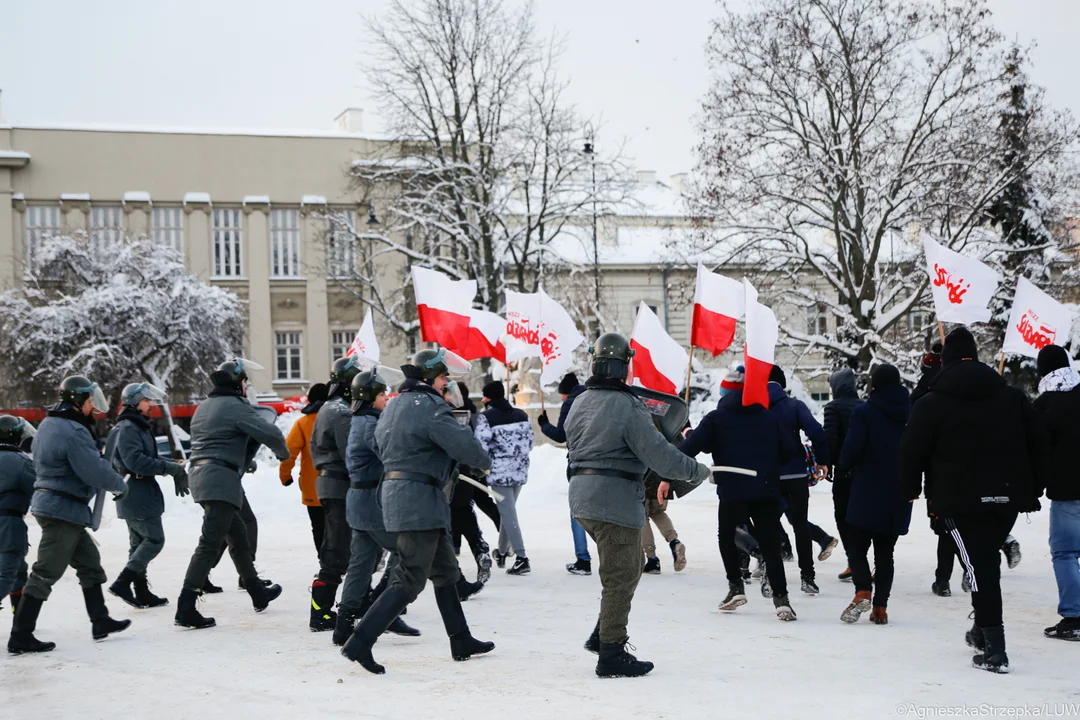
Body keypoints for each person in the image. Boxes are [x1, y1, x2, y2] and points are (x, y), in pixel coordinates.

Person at [565, 333, 711, 678]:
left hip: (582, 499)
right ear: (624, 367)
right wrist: (697, 471)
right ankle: (611, 653)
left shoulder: (581, 401)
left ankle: (603, 635)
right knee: (620, 576)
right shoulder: (629, 407)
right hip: (613, 500)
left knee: (626, 567)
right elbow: (661, 457)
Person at [342, 348, 494, 675]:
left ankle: (461, 639)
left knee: (446, 573)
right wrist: (482, 462)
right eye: (443, 378)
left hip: (404, 496)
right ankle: (360, 641)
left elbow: (387, 446)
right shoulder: (430, 407)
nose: (446, 384)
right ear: (429, 379)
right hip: (419, 500)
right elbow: (463, 444)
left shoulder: (394, 406)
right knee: (409, 579)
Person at [900, 327, 1044, 673]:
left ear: (945, 361)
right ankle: (982, 631)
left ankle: (996, 649)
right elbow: (1038, 442)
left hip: (957, 499)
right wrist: (1033, 486)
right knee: (984, 561)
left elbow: (910, 451)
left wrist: (909, 489)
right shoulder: (1013, 397)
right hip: (1008, 497)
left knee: (980, 569)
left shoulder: (932, 402)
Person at [8, 377, 131, 654]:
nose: (92, 407)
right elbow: (93, 470)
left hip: (61, 508)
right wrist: (120, 485)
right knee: (45, 572)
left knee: (89, 563)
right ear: (78, 402)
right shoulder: (74, 430)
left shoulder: (48, 425)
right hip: (61, 509)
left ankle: (100, 620)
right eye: (89, 402)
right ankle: (21, 635)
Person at [174, 359, 290, 630]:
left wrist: (241, 459)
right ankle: (186, 606)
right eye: (245, 382)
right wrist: (284, 455)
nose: (246, 386)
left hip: (204, 477)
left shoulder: (204, 407)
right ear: (238, 383)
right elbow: (269, 432)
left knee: (238, 537)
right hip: (221, 481)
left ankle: (258, 593)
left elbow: (220, 441)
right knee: (209, 544)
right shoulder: (235, 406)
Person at [681, 377, 801, 621]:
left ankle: (736, 587)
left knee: (726, 535)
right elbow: (790, 451)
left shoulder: (717, 418)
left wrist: (685, 437)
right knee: (770, 543)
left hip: (732, 490)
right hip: (765, 488)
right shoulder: (768, 417)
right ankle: (782, 600)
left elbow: (692, 448)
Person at [334, 367, 419, 646]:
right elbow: (388, 451)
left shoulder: (361, 419)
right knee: (404, 550)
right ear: (370, 398)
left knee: (360, 563)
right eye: (382, 393)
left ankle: (343, 623)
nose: (387, 397)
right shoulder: (370, 424)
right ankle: (386, 607)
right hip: (371, 502)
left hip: (360, 501)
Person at [104, 382, 189, 609]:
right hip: (137, 492)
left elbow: (142, 458)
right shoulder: (129, 427)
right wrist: (169, 468)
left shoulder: (135, 425)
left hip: (137, 492)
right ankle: (123, 583)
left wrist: (173, 465)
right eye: (146, 400)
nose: (150, 404)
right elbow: (135, 462)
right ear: (134, 402)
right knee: (154, 540)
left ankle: (141, 592)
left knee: (138, 543)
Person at [838, 365, 911, 625]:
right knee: (885, 551)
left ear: (874, 385)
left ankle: (862, 590)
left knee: (856, 545)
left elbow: (851, 449)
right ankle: (880, 608)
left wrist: (844, 466)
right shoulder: (911, 412)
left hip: (867, 487)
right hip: (899, 491)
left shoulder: (864, 413)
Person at [767, 366, 837, 595]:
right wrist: (822, 461)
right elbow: (816, 432)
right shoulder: (794, 406)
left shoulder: (755, 407)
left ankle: (769, 576)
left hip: (767, 477)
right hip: (796, 475)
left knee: (767, 526)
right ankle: (808, 577)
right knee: (800, 526)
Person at [310, 356, 364, 632]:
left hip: (332, 483)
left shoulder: (330, 407)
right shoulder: (340, 411)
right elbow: (351, 452)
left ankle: (358, 600)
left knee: (349, 547)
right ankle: (320, 612)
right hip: (338, 485)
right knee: (336, 549)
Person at [1031, 345, 1080, 641]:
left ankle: (1074, 616)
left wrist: (1032, 490)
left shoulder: (1045, 405)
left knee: (1065, 554)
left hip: (1067, 492)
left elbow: (1038, 453)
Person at [475, 381, 533, 576]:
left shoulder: (486, 418)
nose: (482, 399)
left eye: (484, 396)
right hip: (520, 469)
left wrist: (480, 466)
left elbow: (480, 447)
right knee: (508, 512)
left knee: (508, 514)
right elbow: (530, 442)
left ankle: (522, 558)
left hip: (499, 472)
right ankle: (500, 553)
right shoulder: (522, 415)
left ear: (489, 398)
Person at [539, 372, 592, 576]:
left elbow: (561, 435)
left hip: (580, 464)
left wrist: (544, 424)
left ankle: (583, 559)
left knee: (577, 512)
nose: (561, 398)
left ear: (566, 392)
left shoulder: (570, 403)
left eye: (562, 395)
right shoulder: (592, 399)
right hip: (602, 462)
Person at [446, 382, 496, 583]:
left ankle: (453, 571)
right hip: (465, 473)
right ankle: (479, 548)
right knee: (465, 511)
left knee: (446, 521)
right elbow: (473, 444)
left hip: (447, 477)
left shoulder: (441, 416)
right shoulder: (466, 417)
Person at [280, 383, 328, 553]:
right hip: (338, 483)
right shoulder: (339, 418)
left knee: (318, 527)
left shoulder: (303, 422)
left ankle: (325, 564)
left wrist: (285, 476)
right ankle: (341, 561)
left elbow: (289, 452)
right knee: (339, 525)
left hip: (312, 485)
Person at [823, 367, 861, 581]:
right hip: (864, 471)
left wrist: (826, 462)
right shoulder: (865, 406)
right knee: (862, 517)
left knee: (843, 516)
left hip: (844, 472)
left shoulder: (833, 408)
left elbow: (831, 438)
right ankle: (862, 560)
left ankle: (854, 561)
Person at [0, 416, 36, 617]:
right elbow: (37, 489)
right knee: (7, 576)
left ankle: (21, 621)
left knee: (19, 573)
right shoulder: (20, 461)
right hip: (8, 525)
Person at [640, 474, 686, 575]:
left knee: (642, 517)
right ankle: (674, 541)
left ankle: (652, 559)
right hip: (662, 480)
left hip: (642, 480)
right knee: (658, 513)